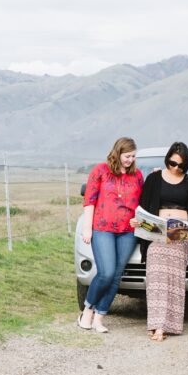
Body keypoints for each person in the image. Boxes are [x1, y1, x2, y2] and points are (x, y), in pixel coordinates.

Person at [131, 141, 188, 342]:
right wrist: (139, 221)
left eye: (181, 166)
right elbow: (143, 207)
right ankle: (155, 323)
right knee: (156, 277)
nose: (175, 168)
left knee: (174, 279)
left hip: (180, 233)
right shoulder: (154, 179)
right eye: (173, 163)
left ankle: (166, 326)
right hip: (157, 231)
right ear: (167, 159)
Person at [78, 137, 143, 333]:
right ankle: (87, 309)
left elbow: (142, 204)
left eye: (133, 156)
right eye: (127, 156)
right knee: (105, 273)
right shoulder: (100, 171)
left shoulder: (138, 176)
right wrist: (87, 228)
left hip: (128, 232)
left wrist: (138, 220)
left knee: (116, 275)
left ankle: (100, 317)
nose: (130, 160)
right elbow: (89, 200)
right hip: (103, 228)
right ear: (117, 153)